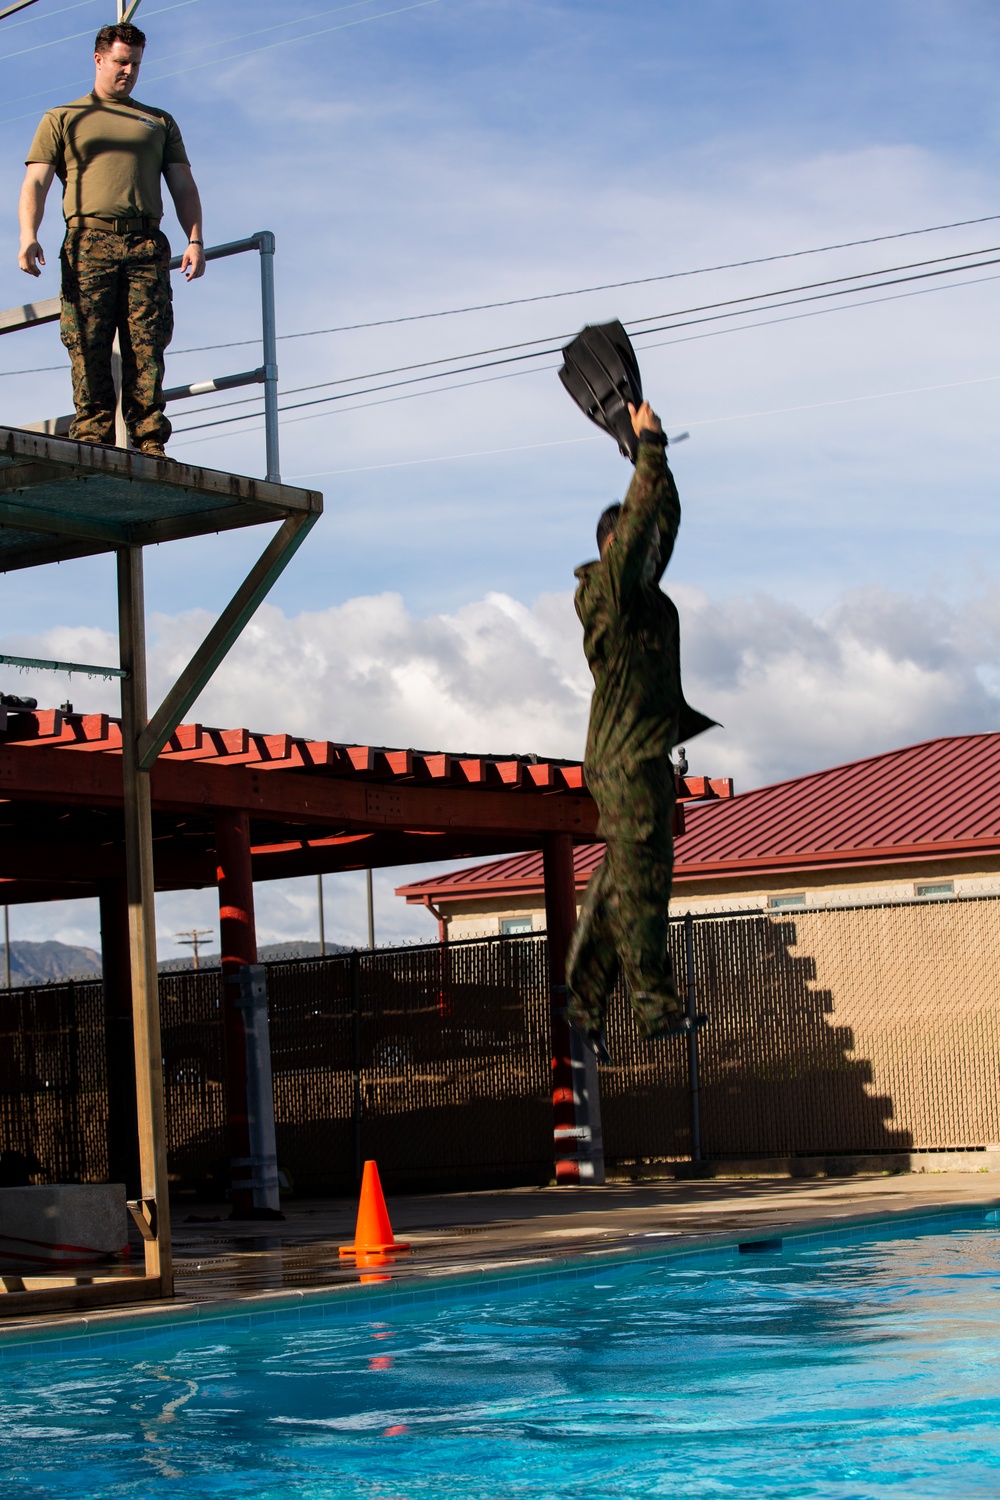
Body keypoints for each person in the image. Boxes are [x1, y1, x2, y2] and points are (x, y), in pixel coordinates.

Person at [566, 399, 715, 1057]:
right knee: (645, 878)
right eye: (640, 541)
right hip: (627, 759)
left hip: (637, 756)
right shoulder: (610, 589)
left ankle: (581, 1003)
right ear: (614, 545)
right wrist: (648, 454)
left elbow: (664, 523)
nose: (657, 550)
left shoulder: (639, 586)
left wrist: (650, 452)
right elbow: (639, 536)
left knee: (616, 886)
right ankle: (655, 1007)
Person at [17, 21, 205, 458]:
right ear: (99, 59)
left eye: (136, 65)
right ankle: (92, 440)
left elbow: (183, 183)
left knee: (148, 344)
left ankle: (149, 441)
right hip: (88, 241)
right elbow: (36, 183)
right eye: (121, 62)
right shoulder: (64, 118)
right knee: (88, 342)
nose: (128, 72)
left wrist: (194, 239)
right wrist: (28, 235)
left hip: (144, 244)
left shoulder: (158, 121)